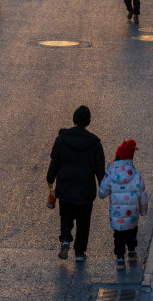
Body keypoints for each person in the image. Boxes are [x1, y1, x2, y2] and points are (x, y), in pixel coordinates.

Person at [46, 105, 106, 262]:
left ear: (74, 119)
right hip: (85, 190)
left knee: (65, 216)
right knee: (83, 221)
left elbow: (55, 162)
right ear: (88, 122)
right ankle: (80, 252)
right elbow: (100, 170)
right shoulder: (95, 144)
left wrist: (50, 179)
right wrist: (104, 188)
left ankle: (65, 240)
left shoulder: (61, 139)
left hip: (65, 188)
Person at [98, 139, 148, 271]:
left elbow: (102, 192)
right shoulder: (136, 175)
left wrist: (104, 193)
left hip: (117, 214)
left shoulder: (110, 173)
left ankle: (120, 258)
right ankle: (131, 251)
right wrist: (143, 210)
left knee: (118, 235)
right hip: (132, 213)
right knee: (132, 232)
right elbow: (142, 194)